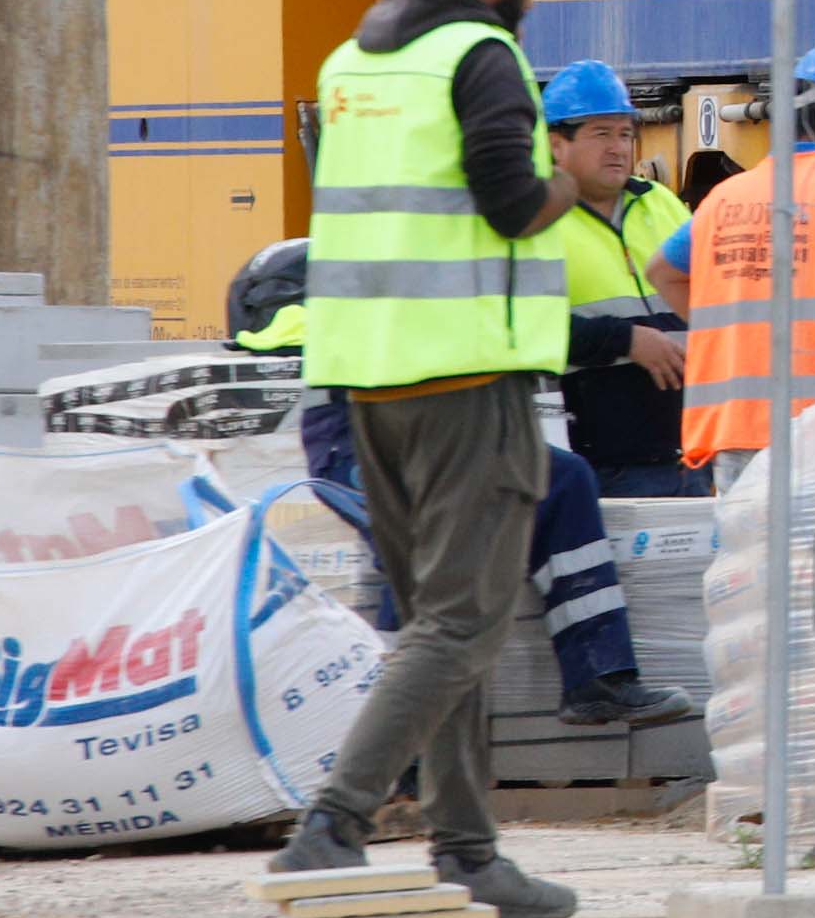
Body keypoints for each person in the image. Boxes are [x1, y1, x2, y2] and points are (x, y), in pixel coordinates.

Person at [261, 0, 583, 918]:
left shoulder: (353, 61)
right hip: (463, 382)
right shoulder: (480, 56)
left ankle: (469, 849)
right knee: (456, 626)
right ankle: (336, 821)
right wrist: (569, 183)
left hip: (369, 380)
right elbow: (511, 199)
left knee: (448, 636)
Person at [228, 236, 697, 734]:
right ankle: (399, 746)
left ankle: (597, 676)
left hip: (441, 420)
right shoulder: (400, 248)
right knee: (416, 553)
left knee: (560, 480)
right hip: (364, 425)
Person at [662, 47, 815, 478]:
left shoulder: (726, 197)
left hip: (736, 429)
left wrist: (719, 340)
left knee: (750, 545)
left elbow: (664, 273)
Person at [538, 60, 701, 497]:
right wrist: (627, 340)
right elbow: (524, 329)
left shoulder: (660, 203)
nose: (618, 148)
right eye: (601, 134)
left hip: (690, 453)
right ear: (556, 145)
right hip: (599, 464)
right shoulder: (536, 221)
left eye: (625, 134)